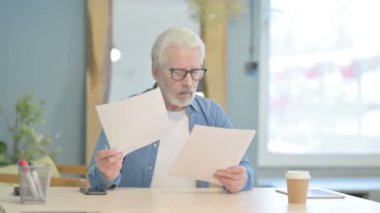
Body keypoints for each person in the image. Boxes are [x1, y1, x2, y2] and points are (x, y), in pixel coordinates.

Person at [88, 27, 254, 193]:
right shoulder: (125, 114)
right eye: (178, 72)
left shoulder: (212, 113)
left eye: (195, 71)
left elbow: (245, 168)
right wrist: (106, 175)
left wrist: (242, 178)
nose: (188, 82)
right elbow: (95, 180)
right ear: (155, 72)